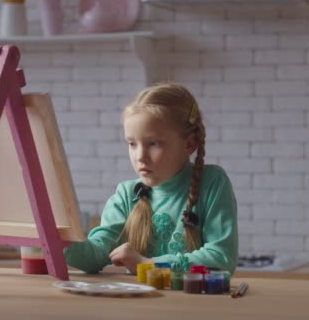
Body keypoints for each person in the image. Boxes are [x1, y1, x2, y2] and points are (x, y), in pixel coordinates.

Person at [64, 83, 238, 274]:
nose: (140, 156)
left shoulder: (212, 182)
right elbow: (96, 254)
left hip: (192, 303)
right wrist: (59, 240)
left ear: (189, 144)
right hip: (141, 303)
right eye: (132, 144)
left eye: (153, 144)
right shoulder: (126, 195)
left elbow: (221, 256)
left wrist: (147, 264)